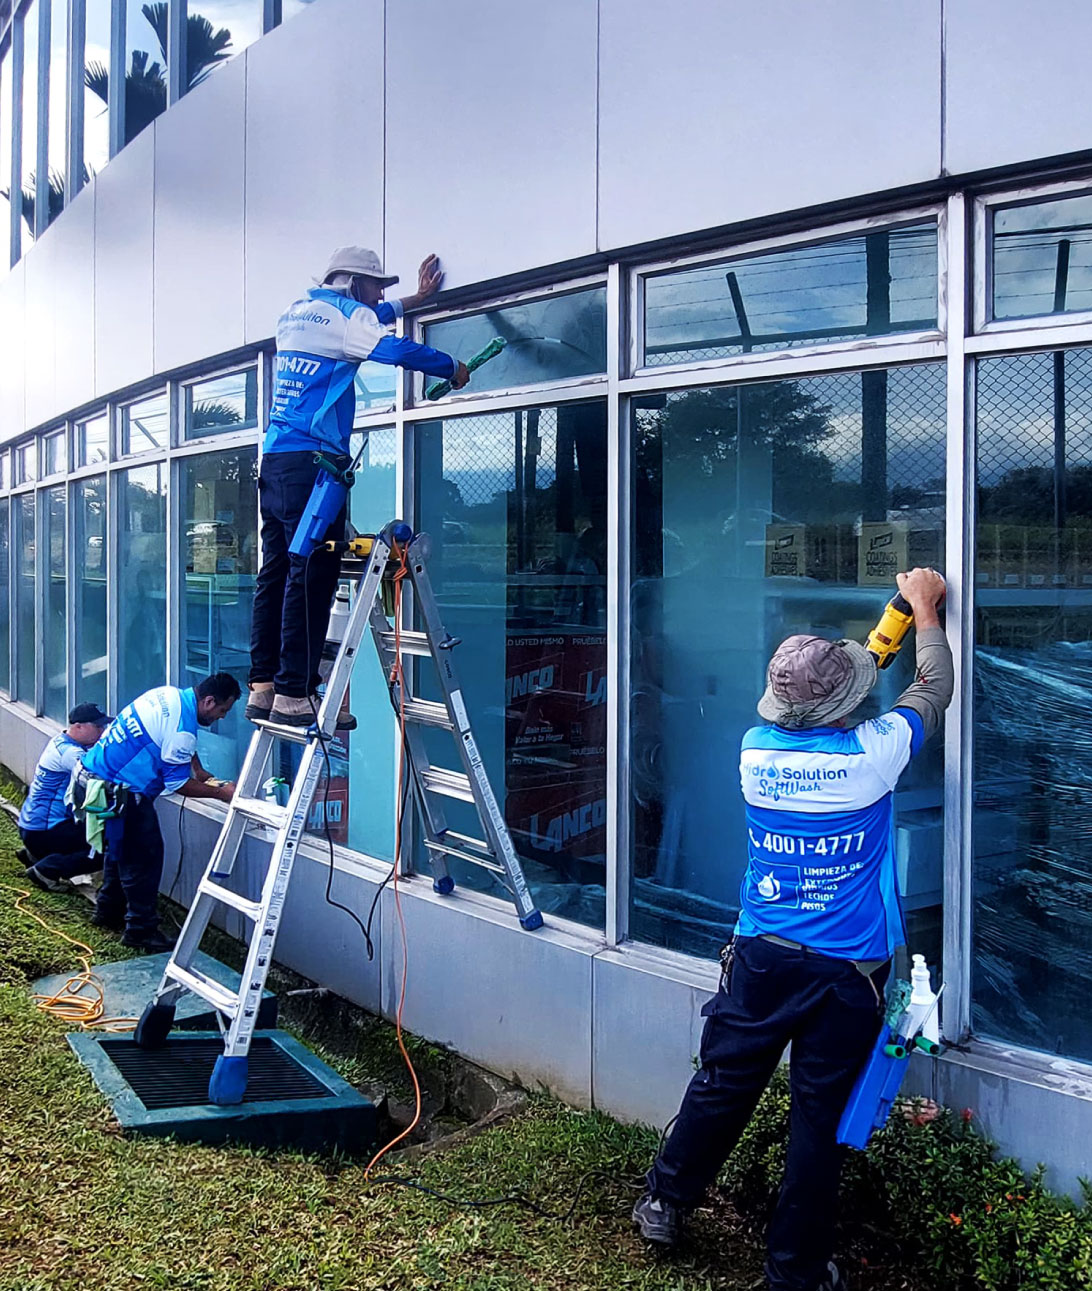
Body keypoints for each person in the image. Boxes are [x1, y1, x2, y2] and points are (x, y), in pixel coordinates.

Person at [633, 568, 953, 1291]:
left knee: (724, 1082)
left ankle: (665, 1198)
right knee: (818, 1124)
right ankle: (795, 1271)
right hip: (846, 976)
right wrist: (927, 612)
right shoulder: (875, 757)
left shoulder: (755, 751)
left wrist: (894, 614)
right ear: (845, 709)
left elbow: (850, 685)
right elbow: (930, 687)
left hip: (762, 959)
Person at [247, 247, 471, 728]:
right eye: (376, 285)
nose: (381, 293)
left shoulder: (298, 313)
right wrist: (451, 366)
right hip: (314, 465)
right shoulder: (346, 317)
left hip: (277, 461)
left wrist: (414, 299)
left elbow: (368, 318)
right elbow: (393, 348)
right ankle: (293, 693)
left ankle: (263, 686)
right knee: (311, 574)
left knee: (278, 570)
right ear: (351, 283)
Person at [77, 673, 241, 953]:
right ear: (210, 701)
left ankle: (108, 911)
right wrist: (222, 793)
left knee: (121, 852)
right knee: (144, 860)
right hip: (121, 792)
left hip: (93, 777)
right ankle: (140, 930)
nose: (221, 717)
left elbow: (176, 741)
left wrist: (198, 771)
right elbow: (176, 783)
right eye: (222, 710)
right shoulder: (183, 730)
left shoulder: (168, 696)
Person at [18, 703, 111, 892]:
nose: (103, 732)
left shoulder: (59, 741)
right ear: (79, 727)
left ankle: (35, 855)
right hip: (45, 830)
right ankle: (46, 870)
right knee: (104, 846)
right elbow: (101, 779)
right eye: (98, 727)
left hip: (33, 825)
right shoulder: (71, 754)